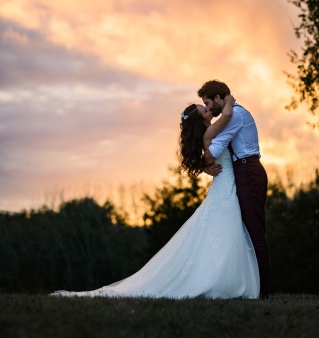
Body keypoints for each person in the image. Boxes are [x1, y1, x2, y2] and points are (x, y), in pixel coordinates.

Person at [50, 95, 259, 299]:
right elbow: (227, 115)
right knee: (223, 230)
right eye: (204, 109)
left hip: (225, 184)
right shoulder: (211, 131)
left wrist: (206, 168)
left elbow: (201, 159)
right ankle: (219, 280)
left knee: (219, 231)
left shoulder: (205, 134)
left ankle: (219, 276)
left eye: (206, 106)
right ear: (200, 119)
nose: (208, 110)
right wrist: (229, 100)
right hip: (225, 186)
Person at [198, 80, 269, 300]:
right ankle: (253, 285)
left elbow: (215, 148)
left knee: (254, 230)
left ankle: (263, 290)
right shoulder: (229, 115)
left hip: (248, 172)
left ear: (219, 98)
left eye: (208, 103)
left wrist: (202, 159)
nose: (209, 108)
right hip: (244, 172)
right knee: (246, 230)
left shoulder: (234, 116)